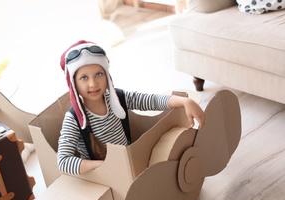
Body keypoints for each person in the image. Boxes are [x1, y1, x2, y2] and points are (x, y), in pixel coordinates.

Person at [57, 40, 205, 175]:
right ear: (73, 83)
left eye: (98, 74)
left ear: (107, 76)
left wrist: (184, 102)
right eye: (84, 78)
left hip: (129, 164)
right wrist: (102, 165)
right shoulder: (74, 119)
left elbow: (151, 100)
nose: (93, 84)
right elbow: (63, 161)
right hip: (103, 175)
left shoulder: (118, 98)